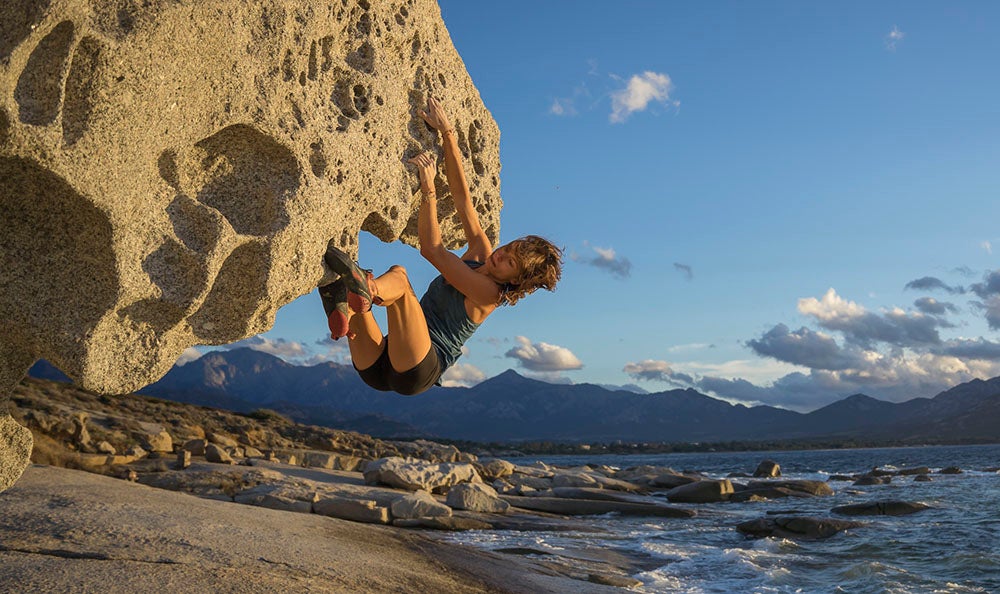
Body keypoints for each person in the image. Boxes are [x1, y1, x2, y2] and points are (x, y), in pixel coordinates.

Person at [318, 96, 563, 396]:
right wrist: (448, 133)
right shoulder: (481, 252)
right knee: (343, 282)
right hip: (381, 364)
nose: (501, 255)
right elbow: (463, 199)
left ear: (515, 280)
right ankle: (346, 299)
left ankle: (365, 289)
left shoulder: (489, 295)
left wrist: (429, 187)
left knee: (400, 277)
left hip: (419, 367)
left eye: (510, 262)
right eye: (509, 249)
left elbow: (432, 249)